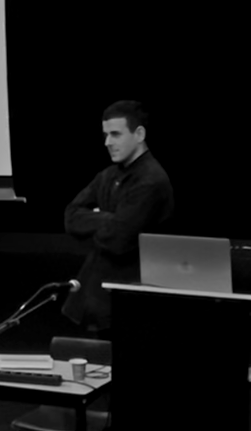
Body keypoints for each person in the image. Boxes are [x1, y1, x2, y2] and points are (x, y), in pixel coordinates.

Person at [62, 100, 175, 335]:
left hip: (129, 304)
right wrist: (110, 219)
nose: (107, 142)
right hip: (95, 298)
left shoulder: (151, 181)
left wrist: (98, 219)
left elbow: (118, 240)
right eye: (105, 135)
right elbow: (71, 217)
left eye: (115, 134)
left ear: (139, 134)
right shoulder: (108, 175)